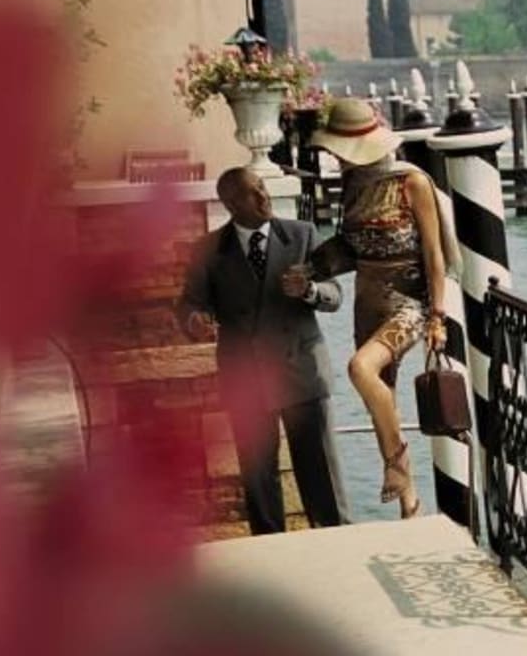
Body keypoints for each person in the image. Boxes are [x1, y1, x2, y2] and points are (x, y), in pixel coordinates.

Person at [178, 167, 347, 535]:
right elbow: (190, 305)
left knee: (321, 478)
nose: (264, 197)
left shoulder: (301, 234)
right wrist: (196, 321)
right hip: (245, 377)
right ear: (231, 204)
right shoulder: (207, 250)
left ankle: (338, 543)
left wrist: (309, 292)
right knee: (258, 477)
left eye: (264, 188)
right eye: (253, 193)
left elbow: (334, 295)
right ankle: (273, 549)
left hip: (301, 371)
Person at [309, 98, 450, 520]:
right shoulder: (351, 184)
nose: (333, 155)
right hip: (366, 299)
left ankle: (397, 468)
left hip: (409, 302)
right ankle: (410, 503)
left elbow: (433, 253)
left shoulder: (411, 182)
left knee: (360, 369)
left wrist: (438, 316)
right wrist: (310, 269)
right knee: (380, 395)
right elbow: (350, 248)